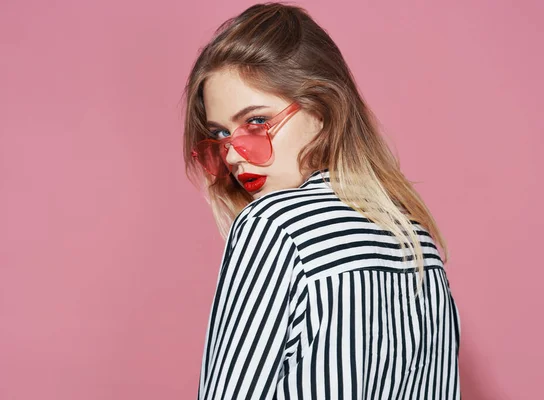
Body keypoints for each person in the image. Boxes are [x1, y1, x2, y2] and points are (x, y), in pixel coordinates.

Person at [182, 3, 461, 399]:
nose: (233, 153)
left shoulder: (272, 225)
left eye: (257, 122)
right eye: (220, 135)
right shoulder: (416, 241)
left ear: (324, 109)